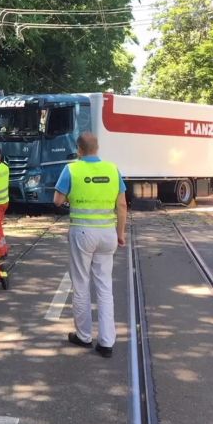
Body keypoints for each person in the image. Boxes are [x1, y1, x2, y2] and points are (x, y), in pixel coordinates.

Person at [53, 132, 127, 358]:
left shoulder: (72, 169)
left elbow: (57, 201)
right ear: (97, 148)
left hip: (82, 233)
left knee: (81, 283)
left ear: (79, 150)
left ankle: (84, 336)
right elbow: (122, 205)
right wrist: (120, 233)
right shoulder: (112, 169)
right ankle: (106, 343)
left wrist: (71, 198)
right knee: (105, 286)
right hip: (108, 234)